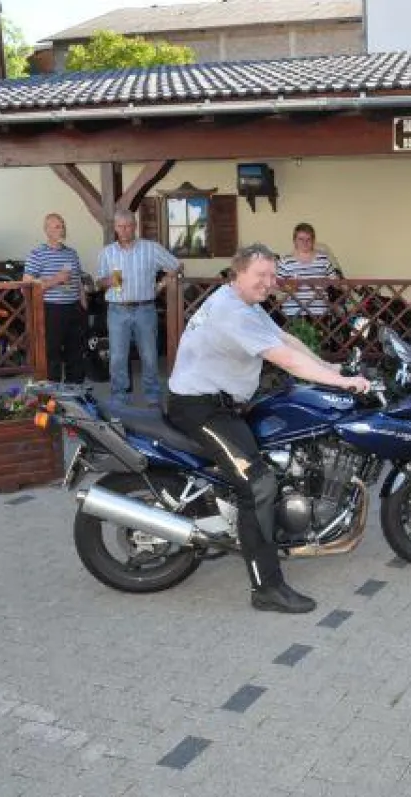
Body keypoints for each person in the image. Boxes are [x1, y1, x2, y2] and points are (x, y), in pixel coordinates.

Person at [167, 244, 370, 614]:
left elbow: (285, 339)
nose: (269, 282)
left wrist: (330, 367)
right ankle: (266, 588)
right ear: (238, 272)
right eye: (261, 275)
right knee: (259, 485)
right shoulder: (232, 311)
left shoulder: (246, 304)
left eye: (273, 275)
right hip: (201, 409)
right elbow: (285, 358)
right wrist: (342, 383)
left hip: (225, 404)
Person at [97, 210, 182, 407]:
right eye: (120, 226)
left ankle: (152, 397)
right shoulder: (107, 252)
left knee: (149, 356)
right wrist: (108, 281)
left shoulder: (151, 248)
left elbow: (176, 265)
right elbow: (99, 281)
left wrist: (161, 284)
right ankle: (119, 397)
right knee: (117, 357)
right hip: (117, 310)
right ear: (115, 228)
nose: (125, 230)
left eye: (128, 226)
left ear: (135, 226)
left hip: (145, 309)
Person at [23, 213, 86, 383]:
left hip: (74, 308)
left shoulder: (72, 253)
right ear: (47, 230)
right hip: (52, 309)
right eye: (57, 226)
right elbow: (27, 286)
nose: (62, 229)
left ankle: (74, 391)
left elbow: (78, 281)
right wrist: (55, 280)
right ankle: (53, 394)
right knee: (52, 353)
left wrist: (83, 305)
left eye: (63, 226)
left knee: (76, 353)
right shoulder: (37, 254)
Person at [276, 223, 343, 319]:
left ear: (313, 241)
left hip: (320, 312)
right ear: (294, 241)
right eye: (301, 239)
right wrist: (290, 287)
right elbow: (277, 286)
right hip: (293, 313)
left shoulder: (323, 259)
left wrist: (331, 282)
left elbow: (336, 283)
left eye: (308, 239)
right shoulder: (285, 261)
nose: (305, 242)